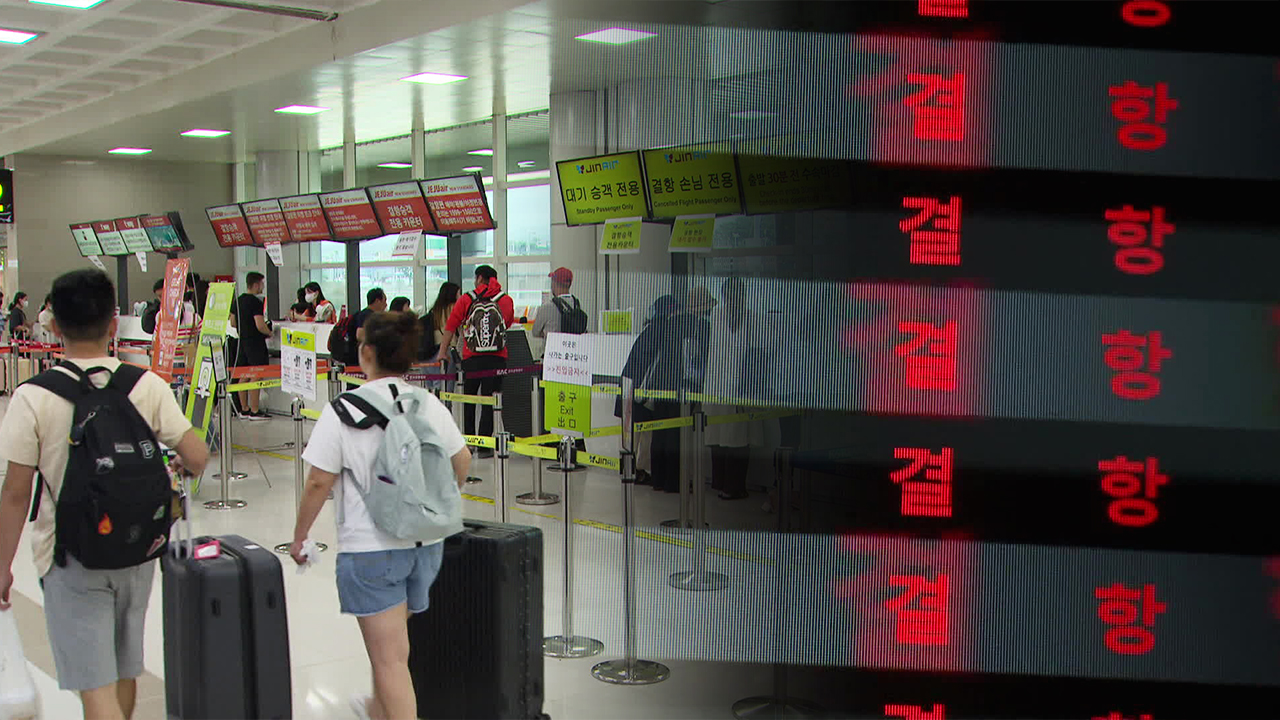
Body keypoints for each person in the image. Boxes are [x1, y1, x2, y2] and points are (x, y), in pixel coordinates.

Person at [0, 269, 209, 720]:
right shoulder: (145, 384)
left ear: (53, 325)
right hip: (137, 547)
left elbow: (15, 495)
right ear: (114, 324)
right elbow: (196, 455)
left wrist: (1, 569)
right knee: (125, 668)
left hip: (70, 555)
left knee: (94, 689)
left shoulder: (32, 397)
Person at [289, 310, 470, 720]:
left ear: (366, 353)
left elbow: (319, 481)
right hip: (425, 546)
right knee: (389, 649)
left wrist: (300, 536)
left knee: (390, 660)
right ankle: (377, 711)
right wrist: (437, 503)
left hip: (373, 552)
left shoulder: (343, 409)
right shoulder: (427, 402)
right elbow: (462, 458)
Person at [433, 266, 514, 455]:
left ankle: (469, 441)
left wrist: (443, 352)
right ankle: (485, 444)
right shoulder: (505, 300)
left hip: (472, 358)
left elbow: (451, 326)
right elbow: (506, 325)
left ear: (479, 278)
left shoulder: (467, 299)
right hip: (497, 358)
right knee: (489, 400)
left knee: (468, 398)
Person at [706, 277, 758, 500]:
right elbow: (754, 354)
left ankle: (720, 483)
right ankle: (732, 487)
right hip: (734, 388)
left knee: (720, 436)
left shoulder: (716, 315)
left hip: (718, 386)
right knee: (736, 439)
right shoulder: (747, 317)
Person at [234, 272, 273, 419]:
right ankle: (255, 411)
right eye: (262, 284)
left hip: (242, 342)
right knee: (257, 375)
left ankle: (244, 408)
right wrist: (269, 332)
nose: (262, 287)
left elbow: (232, 322)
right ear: (256, 284)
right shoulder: (256, 302)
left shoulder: (238, 301)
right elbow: (260, 325)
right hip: (255, 343)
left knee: (243, 375)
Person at [531, 267, 587, 346]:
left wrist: (547, 334)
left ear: (554, 283)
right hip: (573, 353)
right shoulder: (577, 305)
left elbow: (535, 332)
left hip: (552, 354)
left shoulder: (546, 307)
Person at [420, 282, 460, 361]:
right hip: (448, 351)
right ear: (453, 295)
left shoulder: (435, 310)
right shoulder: (455, 309)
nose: (460, 297)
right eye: (459, 294)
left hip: (431, 352)